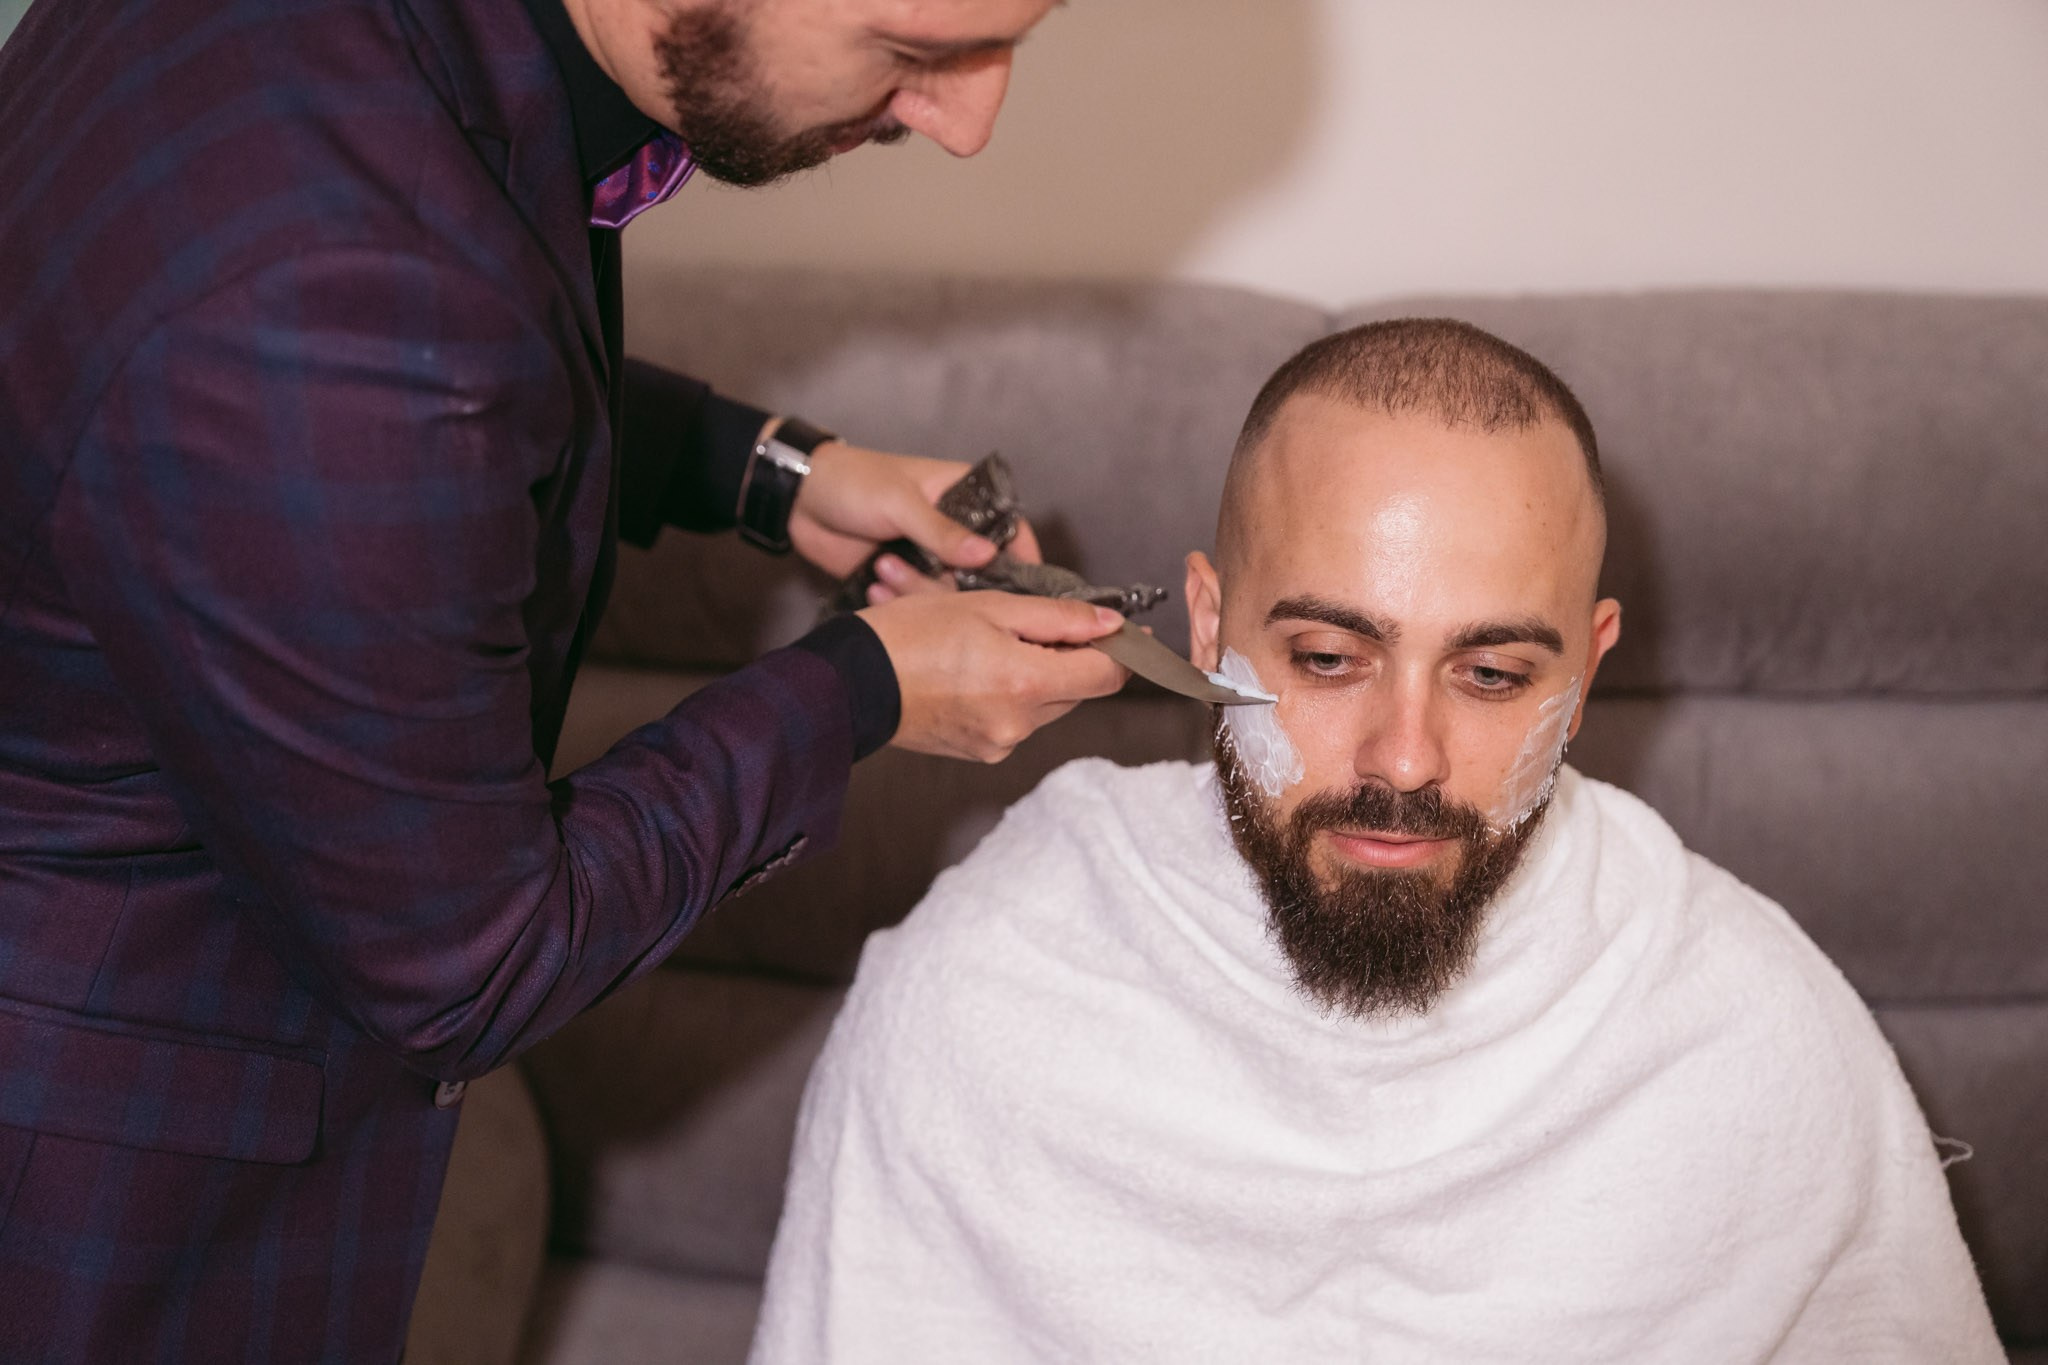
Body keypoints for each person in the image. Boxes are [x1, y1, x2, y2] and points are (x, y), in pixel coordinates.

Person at [0, 0, 1126, 1356]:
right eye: (913, 48)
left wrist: (768, 470)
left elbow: (433, 378)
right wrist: (863, 688)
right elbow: (475, 961)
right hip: (104, 1206)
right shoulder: (325, 279)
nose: (970, 122)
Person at [750, 319, 2003, 1363]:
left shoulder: (1739, 1031)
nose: (1402, 760)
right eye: (1327, 659)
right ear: (1206, 625)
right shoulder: (994, 986)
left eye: (1492, 675)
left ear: (1586, 672)